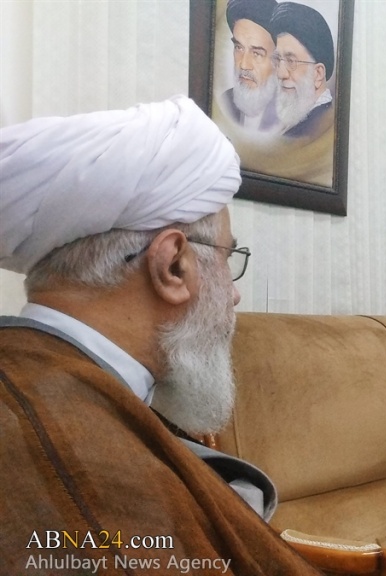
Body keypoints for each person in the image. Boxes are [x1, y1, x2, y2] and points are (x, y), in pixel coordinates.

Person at [0, 97, 318, 574]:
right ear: (172, 266)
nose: (234, 295)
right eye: (227, 259)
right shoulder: (80, 456)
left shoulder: (50, 383)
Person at [269, 2, 335, 139]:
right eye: (278, 59)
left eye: (291, 61)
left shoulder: (314, 133)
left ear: (318, 74)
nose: (281, 73)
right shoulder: (298, 123)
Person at [220, 0, 281, 131]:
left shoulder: (291, 116)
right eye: (239, 48)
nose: (243, 64)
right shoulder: (226, 101)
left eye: (257, 53)